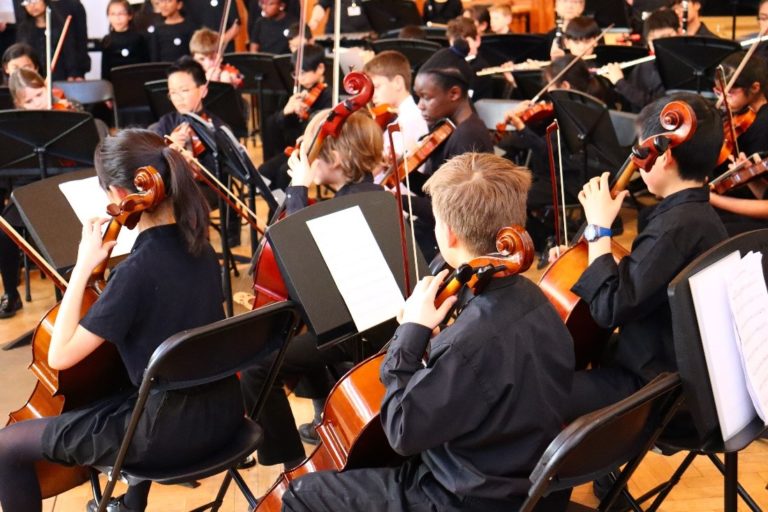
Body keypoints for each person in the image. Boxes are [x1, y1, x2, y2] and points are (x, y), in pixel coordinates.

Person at [280, 152, 575, 512]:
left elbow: (401, 432)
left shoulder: (468, 342)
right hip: (526, 478)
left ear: (447, 234)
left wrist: (410, 332)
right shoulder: (536, 297)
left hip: (464, 498)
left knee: (300, 494)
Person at [0, 129, 244, 512]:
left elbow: (60, 356)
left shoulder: (136, 273)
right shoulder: (201, 248)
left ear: (117, 195)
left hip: (168, 437)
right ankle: (130, 503)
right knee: (137, 386)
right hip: (225, 416)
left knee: (7, 446)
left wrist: (82, 267)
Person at [549, 92, 728, 421]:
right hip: (666, 363)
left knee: (536, 397)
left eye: (640, 152)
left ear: (664, 157)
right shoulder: (695, 216)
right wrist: (585, 254)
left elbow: (608, 309)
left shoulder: (674, 229)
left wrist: (601, 229)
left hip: (652, 385)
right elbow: (647, 276)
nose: (635, 163)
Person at [241, 109, 385, 467]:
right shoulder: (372, 192)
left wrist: (297, 192)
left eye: (312, 150)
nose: (303, 154)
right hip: (369, 322)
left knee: (258, 364)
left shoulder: (345, 210)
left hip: (362, 332)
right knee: (296, 333)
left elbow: (304, 283)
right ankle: (328, 415)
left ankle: (290, 464)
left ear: (334, 159)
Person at [408, 42, 494, 261]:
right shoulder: (454, 129)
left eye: (426, 97)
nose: (419, 105)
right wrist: (407, 175)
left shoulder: (467, 137)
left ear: (454, 93)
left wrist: (400, 200)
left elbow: (452, 213)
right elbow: (436, 191)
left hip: (456, 247)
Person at [149, 56, 242, 245]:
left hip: (207, 189)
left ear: (203, 90)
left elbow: (225, 174)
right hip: (171, 187)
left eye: (184, 90)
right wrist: (168, 148)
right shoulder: (167, 123)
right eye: (172, 92)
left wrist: (193, 164)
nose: (178, 98)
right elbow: (148, 159)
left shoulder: (215, 127)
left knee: (187, 203)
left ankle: (197, 255)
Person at [708, 51, 768, 234]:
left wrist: (711, 198)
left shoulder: (762, 127)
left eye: (730, 92)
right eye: (718, 92)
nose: (722, 98)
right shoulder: (749, 114)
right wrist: (750, 177)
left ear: (755, 87)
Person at [259, 44, 331, 192]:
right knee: (263, 172)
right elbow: (273, 131)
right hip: (295, 150)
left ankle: (285, 212)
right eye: (295, 74)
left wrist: (309, 114)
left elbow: (321, 130)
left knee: (283, 174)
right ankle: (277, 211)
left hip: (316, 151)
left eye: (303, 73)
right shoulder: (294, 95)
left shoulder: (329, 96)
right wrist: (285, 112)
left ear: (320, 69)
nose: (299, 78)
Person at [600, 8, 679, 113]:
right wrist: (609, 81)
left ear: (679, 33)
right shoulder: (643, 67)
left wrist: (620, 83)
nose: (661, 45)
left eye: (667, 37)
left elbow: (657, 106)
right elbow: (627, 101)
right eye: (654, 41)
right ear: (648, 44)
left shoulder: (685, 68)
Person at [363, 50, 428, 165]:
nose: (372, 95)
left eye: (377, 87)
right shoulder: (400, 118)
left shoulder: (411, 119)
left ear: (398, 82)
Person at [15, 0, 80, 80]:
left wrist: (72, 74)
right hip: (34, 78)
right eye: (27, 2)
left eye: (35, 1)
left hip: (59, 77)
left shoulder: (61, 26)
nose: (32, 6)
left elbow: (70, 53)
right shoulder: (23, 29)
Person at [446, 16, 493, 101]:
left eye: (465, 42)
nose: (461, 47)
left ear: (477, 40)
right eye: (455, 44)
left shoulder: (481, 68)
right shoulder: (448, 64)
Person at [101, 0, 150, 81]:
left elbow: (145, 64)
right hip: (115, 84)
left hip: (136, 81)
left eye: (121, 14)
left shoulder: (139, 38)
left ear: (130, 15)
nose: (117, 18)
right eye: (113, 14)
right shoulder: (107, 40)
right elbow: (105, 70)